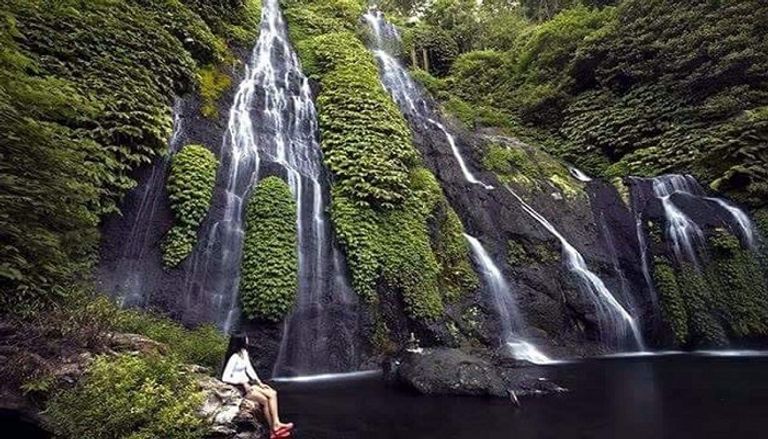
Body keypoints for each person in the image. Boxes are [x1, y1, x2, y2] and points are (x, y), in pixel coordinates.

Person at [222, 334, 293, 438]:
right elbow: (225, 378)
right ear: (241, 341)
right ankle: (273, 430)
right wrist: (242, 382)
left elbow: (249, 369)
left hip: (249, 385)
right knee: (265, 400)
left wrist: (259, 383)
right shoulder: (234, 357)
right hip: (241, 389)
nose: (247, 339)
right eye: (245, 338)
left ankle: (276, 423)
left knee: (273, 393)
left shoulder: (244, 353)